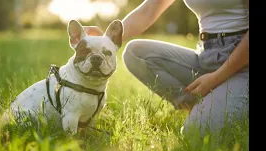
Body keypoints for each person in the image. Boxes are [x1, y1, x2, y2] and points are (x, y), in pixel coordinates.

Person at [84, 0, 249, 136]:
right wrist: (107, 39)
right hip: (207, 57)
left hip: (242, 66)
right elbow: (148, 10)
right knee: (135, 53)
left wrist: (217, 77)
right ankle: (198, 106)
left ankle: (223, 104)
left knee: (193, 134)